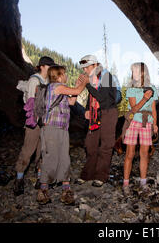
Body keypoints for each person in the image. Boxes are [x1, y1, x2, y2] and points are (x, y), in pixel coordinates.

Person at [36, 65, 85, 205]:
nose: (66, 75)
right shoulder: (56, 87)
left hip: (62, 128)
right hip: (51, 127)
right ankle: (43, 190)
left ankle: (66, 189)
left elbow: (72, 101)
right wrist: (84, 82)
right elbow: (77, 90)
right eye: (64, 73)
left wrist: (76, 88)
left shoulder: (60, 90)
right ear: (58, 76)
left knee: (64, 157)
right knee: (50, 157)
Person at [13, 56, 55, 196]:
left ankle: (39, 178)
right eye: (49, 66)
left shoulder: (48, 81)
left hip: (45, 122)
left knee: (42, 152)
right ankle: (19, 180)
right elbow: (31, 103)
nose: (51, 68)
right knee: (27, 151)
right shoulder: (34, 80)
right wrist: (34, 121)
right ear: (42, 66)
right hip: (34, 123)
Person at [76, 55, 119, 187]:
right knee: (90, 144)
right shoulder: (93, 78)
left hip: (108, 112)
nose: (85, 70)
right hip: (95, 114)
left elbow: (104, 99)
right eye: (83, 68)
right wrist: (87, 109)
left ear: (94, 65)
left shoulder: (106, 76)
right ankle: (88, 174)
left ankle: (101, 176)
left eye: (86, 67)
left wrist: (87, 84)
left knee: (106, 145)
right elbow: (92, 96)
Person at [122, 62, 159, 196]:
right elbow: (134, 109)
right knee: (130, 154)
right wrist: (144, 98)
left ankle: (143, 183)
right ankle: (125, 183)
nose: (134, 74)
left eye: (136, 71)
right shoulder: (131, 89)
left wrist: (155, 124)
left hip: (147, 123)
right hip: (133, 122)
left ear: (143, 73)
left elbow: (153, 109)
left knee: (144, 153)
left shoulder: (152, 88)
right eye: (133, 71)